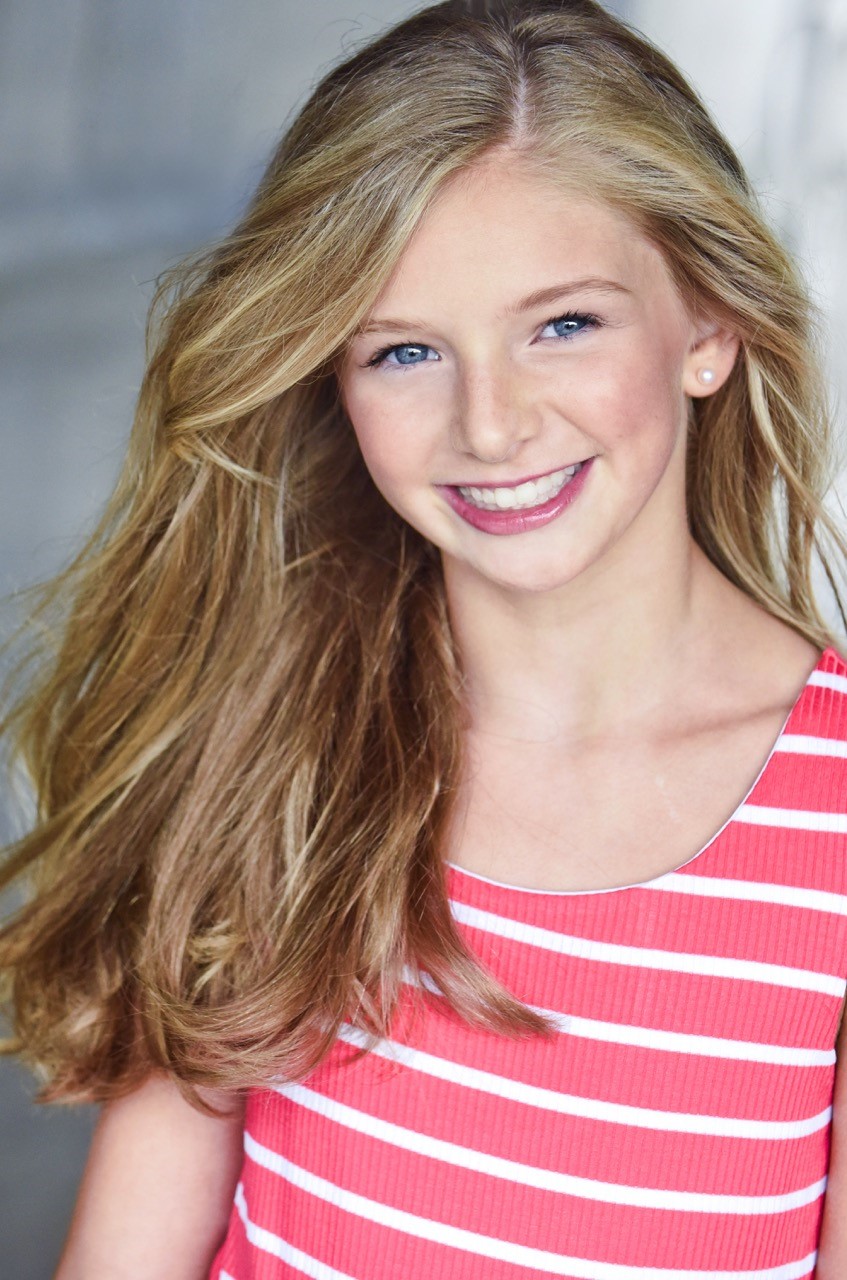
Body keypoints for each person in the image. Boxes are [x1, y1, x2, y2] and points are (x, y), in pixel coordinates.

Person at [2, 0, 846, 1275]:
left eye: (563, 324)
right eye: (403, 351)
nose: (489, 425)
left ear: (710, 327)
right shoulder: (283, 738)